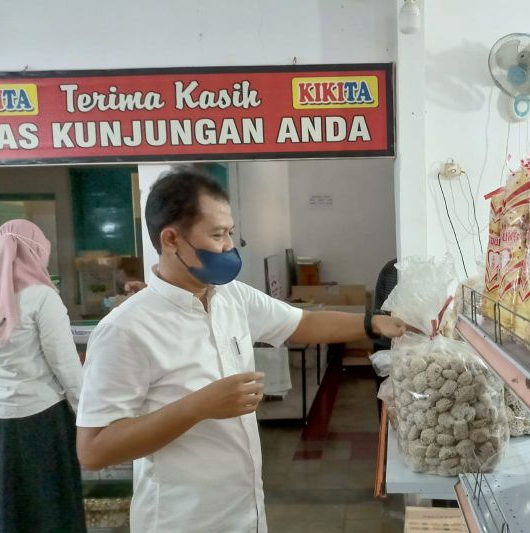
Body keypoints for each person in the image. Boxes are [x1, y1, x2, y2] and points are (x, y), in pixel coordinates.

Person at [75, 167, 407, 533]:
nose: (229, 246)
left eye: (230, 232)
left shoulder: (231, 297)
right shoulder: (125, 329)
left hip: (246, 514)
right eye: (217, 235)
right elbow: (94, 450)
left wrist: (373, 323)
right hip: (182, 521)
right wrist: (199, 406)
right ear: (171, 239)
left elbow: (303, 322)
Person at [0, 220, 86, 533]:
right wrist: (88, 416)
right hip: (41, 421)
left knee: (2, 503)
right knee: (47, 508)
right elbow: (66, 366)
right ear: (37, 251)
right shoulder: (42, 297)